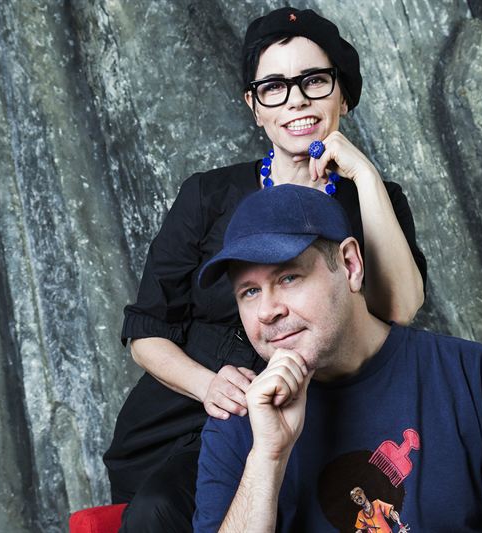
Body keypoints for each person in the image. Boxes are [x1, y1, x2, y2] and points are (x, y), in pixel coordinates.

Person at [103, 7, 427, 532]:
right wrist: (209, 386)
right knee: (159, 507)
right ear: (255, 108)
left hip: (317, 418)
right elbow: (146, 331)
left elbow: (401, 309)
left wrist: (366, 178)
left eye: (314, 81)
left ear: (343, 95)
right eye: (274, 87)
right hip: (193, 418)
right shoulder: (207, 195)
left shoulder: (375, 201)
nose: (296, 99)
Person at [192, 184, 482, 532]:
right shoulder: (238, 420)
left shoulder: (470, 375)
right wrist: (268, 456)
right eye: (249, 292)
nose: (267, 311)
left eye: (288, 277)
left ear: (350, 265)